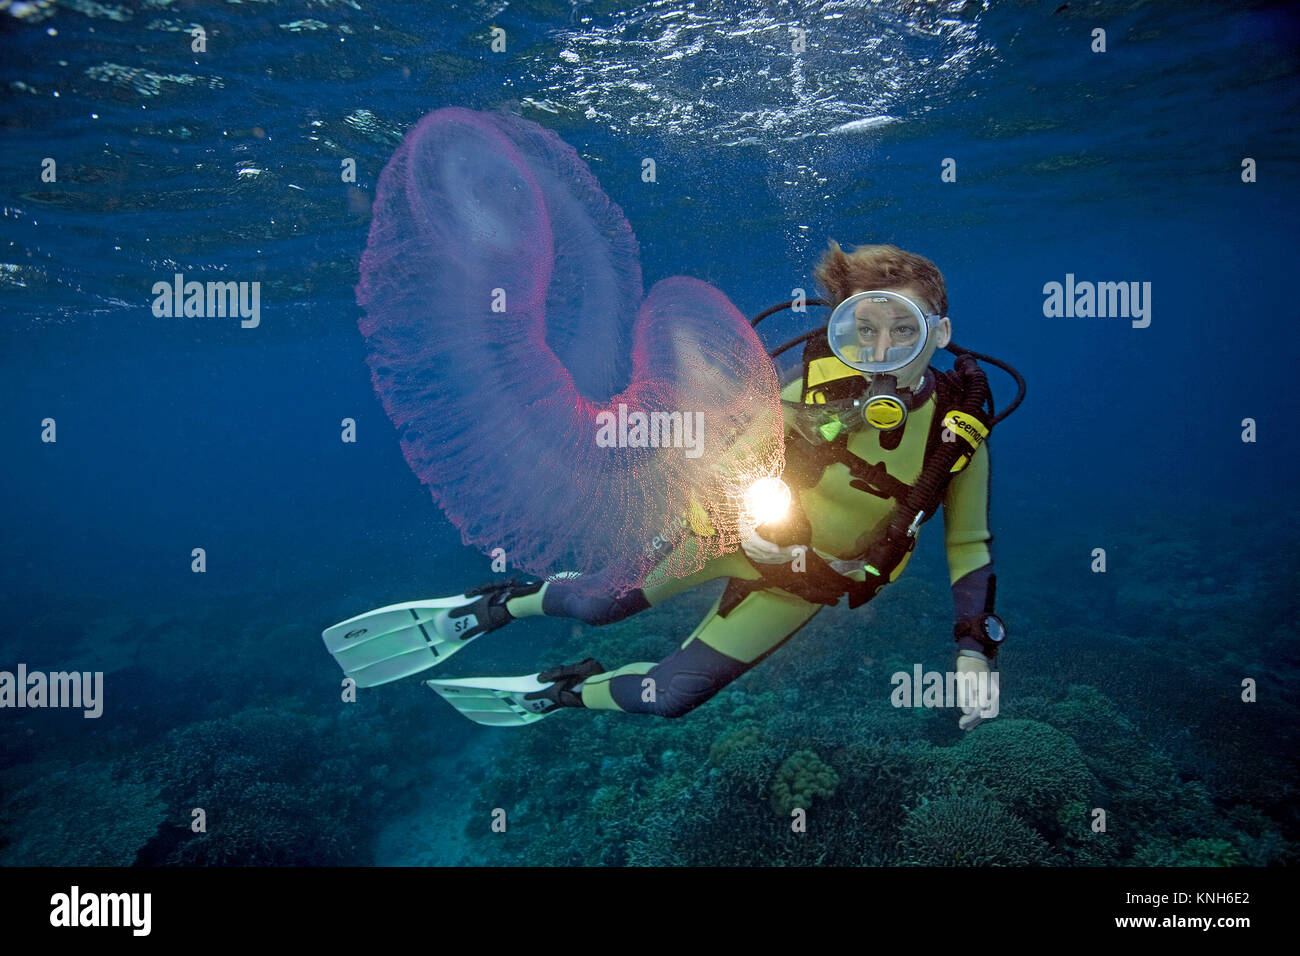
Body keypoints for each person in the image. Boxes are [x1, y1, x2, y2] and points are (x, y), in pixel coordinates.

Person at [324, 243, 1011, 730]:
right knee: (598, 604)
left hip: (811, 582)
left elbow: (970, 544)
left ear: (940, 333)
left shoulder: (957, 436)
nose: (883, 350)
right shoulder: (809, 390)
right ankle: (501, 605)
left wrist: (973, 650)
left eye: (905, 329)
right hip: (723, 537)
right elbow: (728, 457)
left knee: (668, 698)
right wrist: (738, 512)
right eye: (863, 331)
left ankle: (561, 692)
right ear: (839, 331)